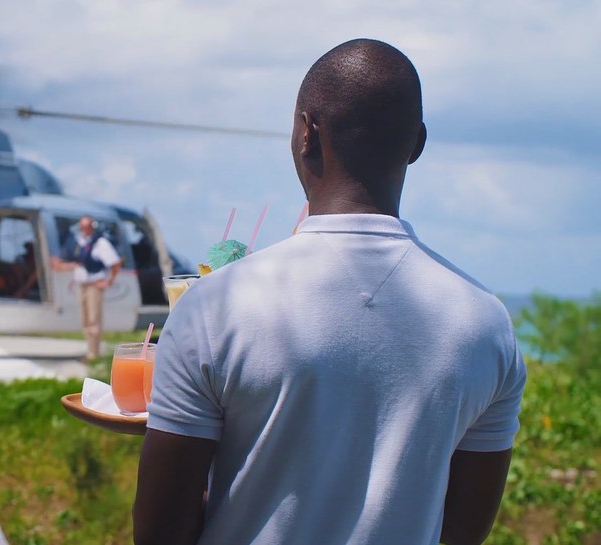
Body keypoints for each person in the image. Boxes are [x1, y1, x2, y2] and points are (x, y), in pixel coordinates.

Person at [133, 39, 526, 545]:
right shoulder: (486, 326)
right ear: (417, 143)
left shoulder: (215, 307)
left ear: (305, 133)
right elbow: (462, 531)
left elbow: (160, 534)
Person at [53, 216, 122, 361]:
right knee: (85, 320)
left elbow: (115, 262)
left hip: (94, 285)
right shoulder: (80, 242)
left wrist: (109, 281)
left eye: (87, 226)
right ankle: (90, 350)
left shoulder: (100, 243)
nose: (84, 229)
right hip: (82, 285)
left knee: (93, 319)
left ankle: (94, 353)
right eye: (82, 226)